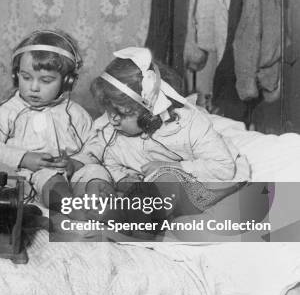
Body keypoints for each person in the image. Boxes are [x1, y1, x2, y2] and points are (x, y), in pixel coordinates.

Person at [88, 46, 252, 222]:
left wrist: (175, 167)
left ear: (148, 113)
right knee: (96, 178)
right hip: (152, 189)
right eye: (109, 111)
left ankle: (137, 219)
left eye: (122, 113)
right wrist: (122, 179)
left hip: (205, 176)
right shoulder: (112, 131)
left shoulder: (188, 126)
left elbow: (223, 167)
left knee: (167, 181)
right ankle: (129, 215)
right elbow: (110, 162)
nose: (113, 120)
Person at [0, 29, 111, 218]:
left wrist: (76, 163)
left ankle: (102, 211)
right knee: (51, 179)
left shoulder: (74, 112)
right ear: (16, 75)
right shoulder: (6, 111)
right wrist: (24, 158)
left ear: (67, 81)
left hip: (73, 171)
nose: (34, 87)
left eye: (46, 80)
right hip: (36, 175)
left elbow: (96, 145)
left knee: (97, 173)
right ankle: (73, 212)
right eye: (26, 77)